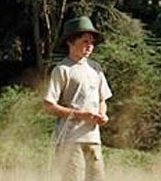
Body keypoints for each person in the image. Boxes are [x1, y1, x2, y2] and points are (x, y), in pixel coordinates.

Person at [43, 16, 112, 181]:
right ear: (70, 42)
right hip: (70, 140)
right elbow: (48, 105)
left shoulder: (96, 69)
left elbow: (103, 99)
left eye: (92, 42)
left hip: (93, 138)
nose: (90, 46)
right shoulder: (62, 70)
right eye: (85, 41)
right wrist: (80, 115)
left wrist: (103, 115)